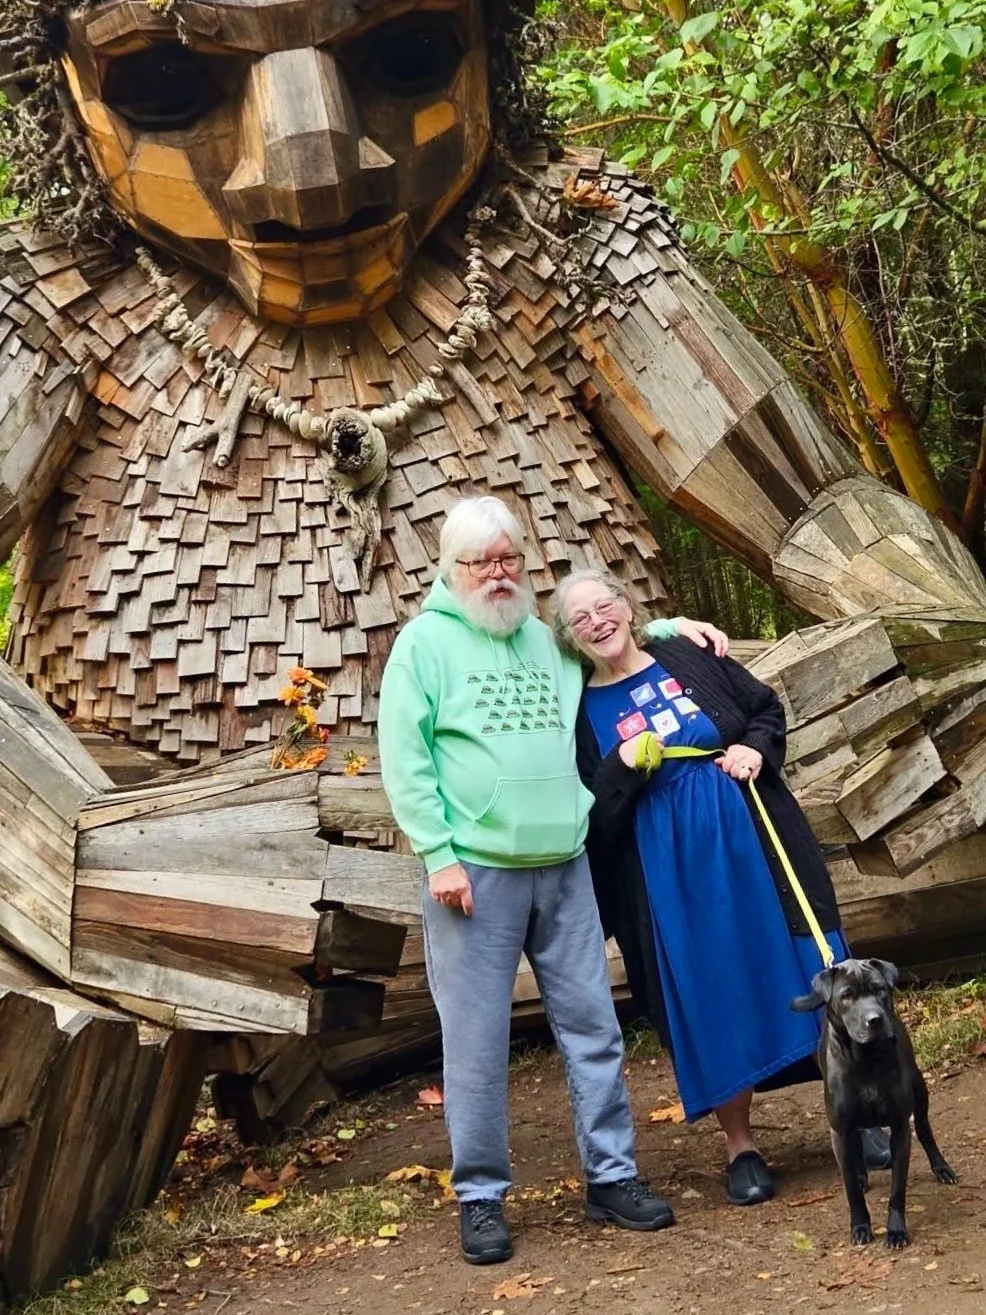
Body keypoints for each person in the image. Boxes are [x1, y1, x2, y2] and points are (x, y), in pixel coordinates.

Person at [378, 495, 727, 1264]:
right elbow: (404, 758)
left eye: (510, 558)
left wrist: (667, 630)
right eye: (484, 562)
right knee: (475, 1043)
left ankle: (612, 1176)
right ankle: (479, 1196)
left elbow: (608, 643)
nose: (500, 573)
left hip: (564, 865)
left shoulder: (541, 638)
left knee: (595, 1029)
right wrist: (437, 853)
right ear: (452, 568)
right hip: (475, 874)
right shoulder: (423, 647)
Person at [553, 567, 891, 1208]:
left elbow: (764, 709)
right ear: (570, 638)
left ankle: (858, 1113)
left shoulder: (683, 653)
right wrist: (622, 771)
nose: (598, 622)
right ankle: (741, 1147)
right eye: (581, 619)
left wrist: (755, 752)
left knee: (801, 965)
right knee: (710, 991)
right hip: (667, 878)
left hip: (755, 846)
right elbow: (588, 812)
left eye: (605, 606)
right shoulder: (580, 712)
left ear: (627, 609)